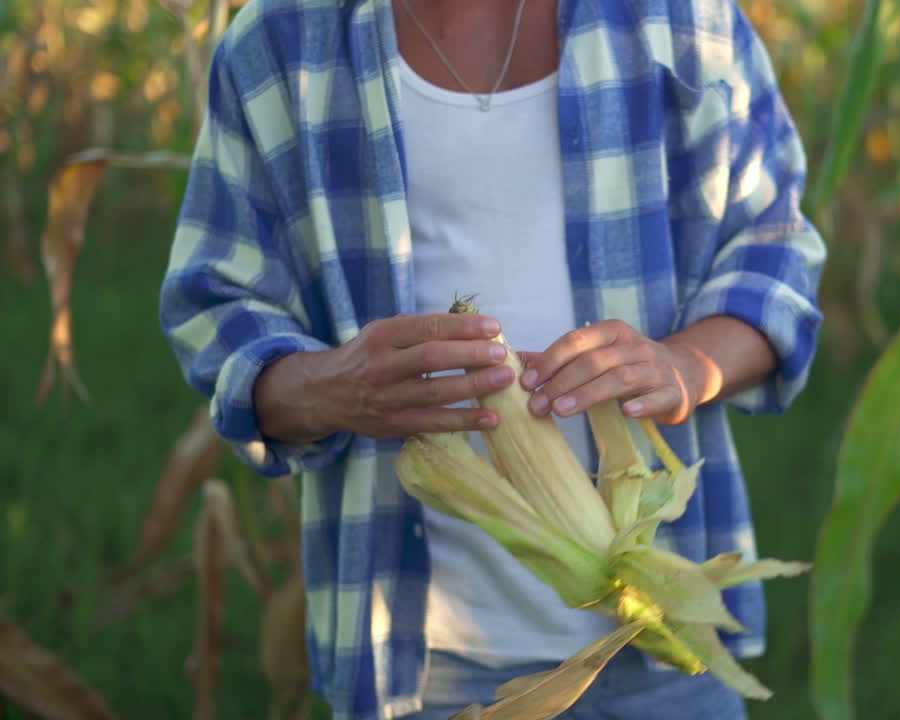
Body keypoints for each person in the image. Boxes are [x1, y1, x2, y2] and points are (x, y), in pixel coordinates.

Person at [160, 0, 825, 717]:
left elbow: (775, 247)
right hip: (418, 656)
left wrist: (687, 364)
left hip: (659, 621)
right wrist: (330, 387)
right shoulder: (279, 41)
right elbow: (216, 307)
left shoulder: (682, 19)